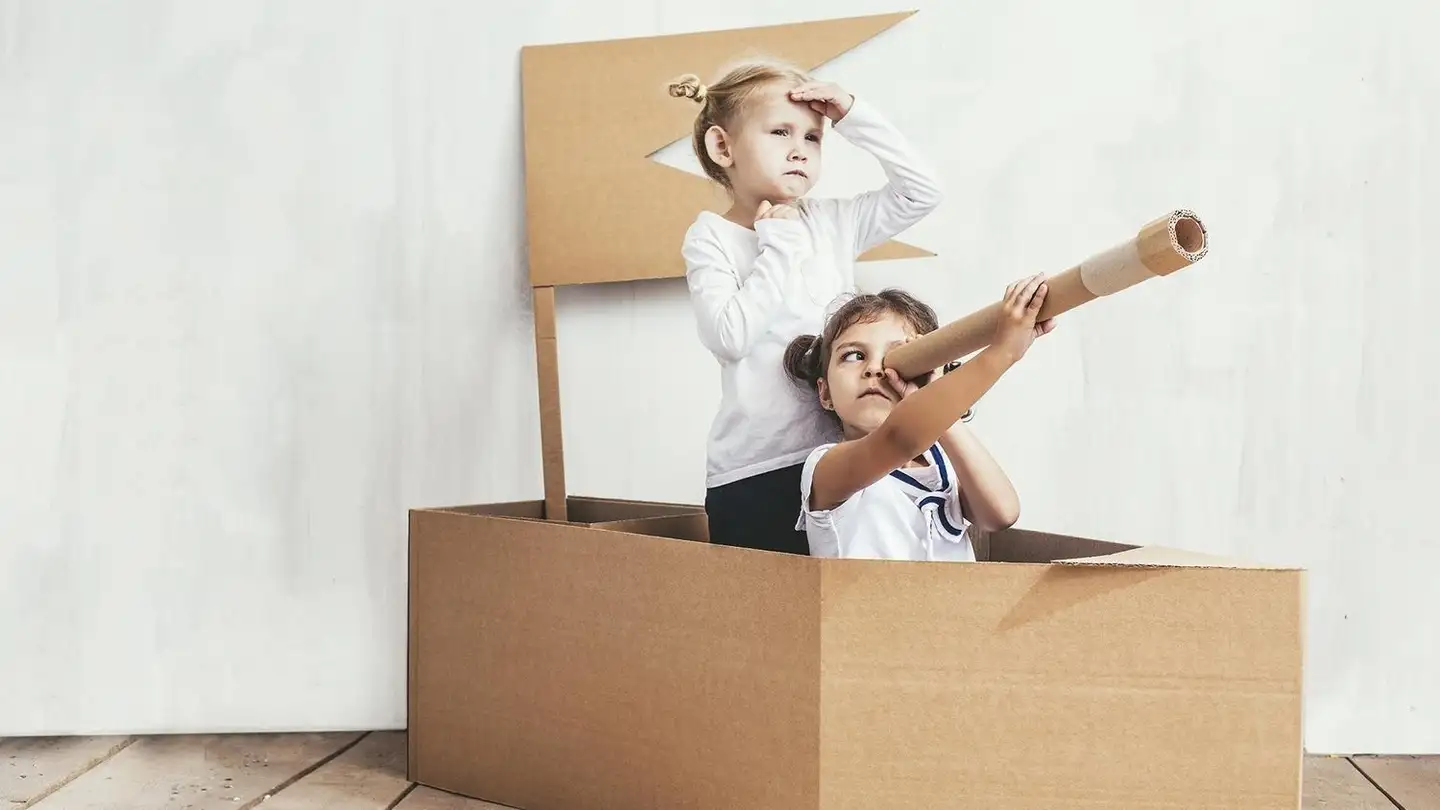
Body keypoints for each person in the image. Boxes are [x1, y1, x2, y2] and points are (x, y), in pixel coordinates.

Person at [667, 59, 944, 555]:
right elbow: (729, 337)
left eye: (814, 138)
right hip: (756, 471)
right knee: (767, 616)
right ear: (722, 146)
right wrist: (780, 244)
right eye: (780, 132)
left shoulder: (834, 221)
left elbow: (923, 191)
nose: (800, 150)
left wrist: (853, 115)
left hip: (840, 458)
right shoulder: (711, 236)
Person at [781, 278, 1057, 561]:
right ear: (825, 392)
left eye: (896, 356)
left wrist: (940, 410)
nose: (874, 369)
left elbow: (1002, 514)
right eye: (854, 356)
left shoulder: (945, 467)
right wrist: (1004, 352)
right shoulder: (825, 469)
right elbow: (900, 438)